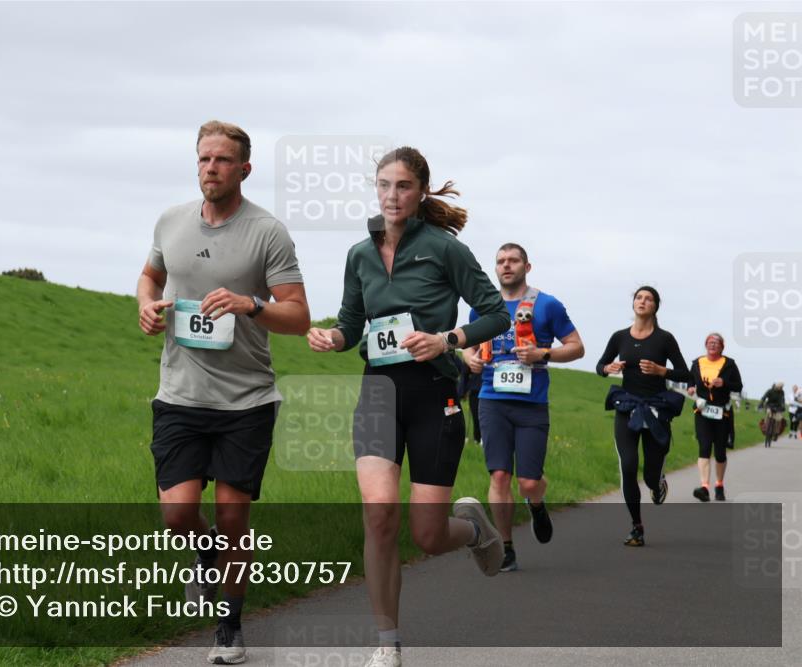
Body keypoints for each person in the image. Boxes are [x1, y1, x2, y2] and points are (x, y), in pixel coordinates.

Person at [307, 146, 509, 667]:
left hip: (433, 393)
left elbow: (495, 314)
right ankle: (387, 643)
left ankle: (471, 527)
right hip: (378, 391)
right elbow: (353, 324)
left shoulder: (445, 250)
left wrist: (449, 338)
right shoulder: (359, 254)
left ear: (420, 192)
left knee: (427, 535)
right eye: (383, 185)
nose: (391, 196)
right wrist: (334, 335)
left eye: (402, 186)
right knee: (379, 518)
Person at [138, 120, 311, 665]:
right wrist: (144, 304)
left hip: (246, 401)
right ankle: (204, 556)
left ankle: (229, 629)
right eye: (203, 158)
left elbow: (298, 316)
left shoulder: (268, 232)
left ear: (244, 169)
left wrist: (250, 305)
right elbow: (149, 276)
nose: (209, 168)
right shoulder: (171, 222)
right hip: (180, 394)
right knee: (177, 514)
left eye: (221, 160)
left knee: (235, 518)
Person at [464, 244, 585, 572]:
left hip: (532, 405)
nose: (506, 266)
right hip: (491, 400)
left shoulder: (547, 305)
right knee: (500, 474)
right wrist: (470, 359)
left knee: (528, 482)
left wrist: (542, 354)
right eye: (500, 261)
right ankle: (506, 548)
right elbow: (469, 347)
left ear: (526, 266)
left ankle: (537, 504)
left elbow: (577, 347)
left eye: (513, 260)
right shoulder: (483, 308)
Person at [596, 286, 690, 547]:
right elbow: (599, 366)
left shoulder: (665, 339)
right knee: (627, 467)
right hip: (627, 407)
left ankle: (657, 482)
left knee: (649, 475)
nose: (642, 301)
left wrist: (662, 370)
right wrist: (608, 367)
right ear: (633, 303)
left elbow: (685, 374)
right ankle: (636, 526)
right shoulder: (619, 337)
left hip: (656, 409)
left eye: (648, 299)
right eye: (638, 297)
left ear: (655, 306)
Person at [687, 333, 743, 502]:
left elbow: (738, 386)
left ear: (721, 347)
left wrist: (724, 383)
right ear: (706, 345)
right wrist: (690, 388)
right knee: (704, 447)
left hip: (722, 413)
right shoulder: (697, 363)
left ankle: (719, 485)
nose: (713, 345)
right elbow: (690, 380)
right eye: (710, 342)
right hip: (702, 411)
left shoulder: (729, 364)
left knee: (720, 451)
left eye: (716, 343)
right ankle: (704, 487)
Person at [759, 382, 787, 446]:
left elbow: (783, 400)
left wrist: (783, 406)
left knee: (778, 419)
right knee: (768, 416)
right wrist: (761, 404)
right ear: (776, 386)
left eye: (781, 387)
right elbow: (764, 397)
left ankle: (776, 433)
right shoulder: (770, 391)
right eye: (779, 387)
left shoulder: (782, 392)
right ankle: (766, 428)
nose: (780, 388)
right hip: (769, 406)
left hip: (778, 407)